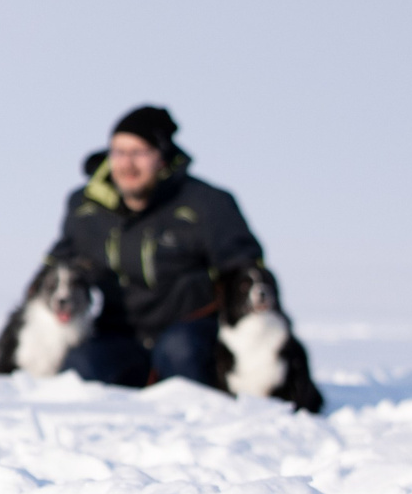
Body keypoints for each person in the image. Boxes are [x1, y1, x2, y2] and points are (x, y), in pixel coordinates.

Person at [48, 106, 263, 388]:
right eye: (119, 152)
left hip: (192, 331)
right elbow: (58, 266)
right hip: (118, 332)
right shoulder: (86, 207)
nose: (127, 164)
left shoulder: (207, 204)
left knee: (180, 351)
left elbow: (244, 269)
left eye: (139, 152)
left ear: (163, 157)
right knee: (81, 367)